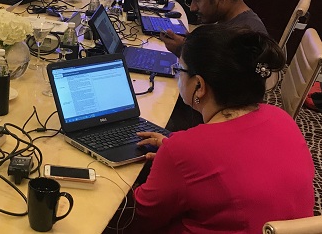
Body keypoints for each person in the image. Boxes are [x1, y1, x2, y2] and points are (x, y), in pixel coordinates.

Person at [131, 25, 314, 233]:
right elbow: (236, 163)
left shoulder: (184, 150)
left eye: (179, 70)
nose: (177, 76)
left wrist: (170, 160)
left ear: (199, 86)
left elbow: (138, 218)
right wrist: (174, 155)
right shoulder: (281, 118)